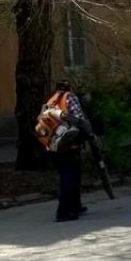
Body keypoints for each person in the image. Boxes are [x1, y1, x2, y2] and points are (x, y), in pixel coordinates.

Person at [36, 79, 100, 222]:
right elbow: (79, 118)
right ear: (69, 88)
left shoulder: (51, 100)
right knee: (69, 177)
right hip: (68, 145)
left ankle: (76, 205)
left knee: (71, 175)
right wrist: (90, 134)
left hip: (53, 146)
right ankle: (64, 212)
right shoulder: (69, 97)